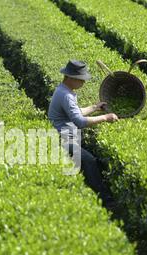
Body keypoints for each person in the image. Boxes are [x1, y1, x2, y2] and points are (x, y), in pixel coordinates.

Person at [48, 60, 118, 201]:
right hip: (63, 139)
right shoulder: (66, 96)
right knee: (90, 161)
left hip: (65, 136)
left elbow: (75, 112)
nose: (83, 83)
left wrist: (95, 107)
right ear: (71, 78)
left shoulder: (63, 90)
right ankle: (104, 199)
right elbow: (79, 121)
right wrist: (105, 117)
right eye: (81, 80)